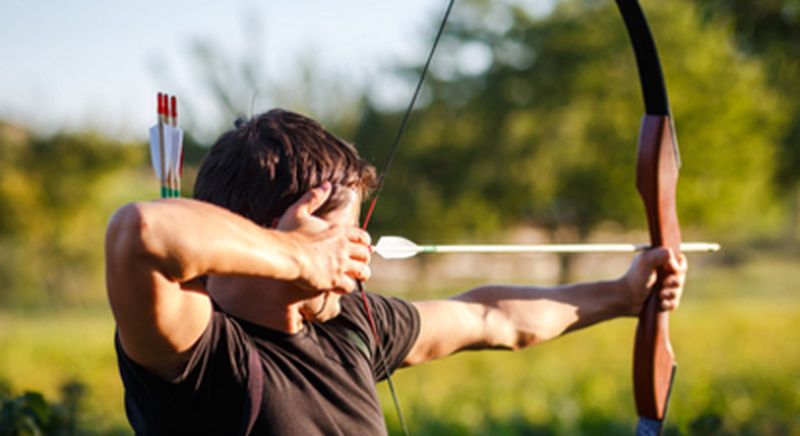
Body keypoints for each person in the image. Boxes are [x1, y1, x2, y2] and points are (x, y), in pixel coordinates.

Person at [105, 109, 686, 435]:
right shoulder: (201, 353)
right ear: (285, 225)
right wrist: (302, 259)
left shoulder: (347, 325)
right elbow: (141, 231)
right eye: (345, 229)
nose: (360, 247)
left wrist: (623, 293)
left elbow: (491, 317)